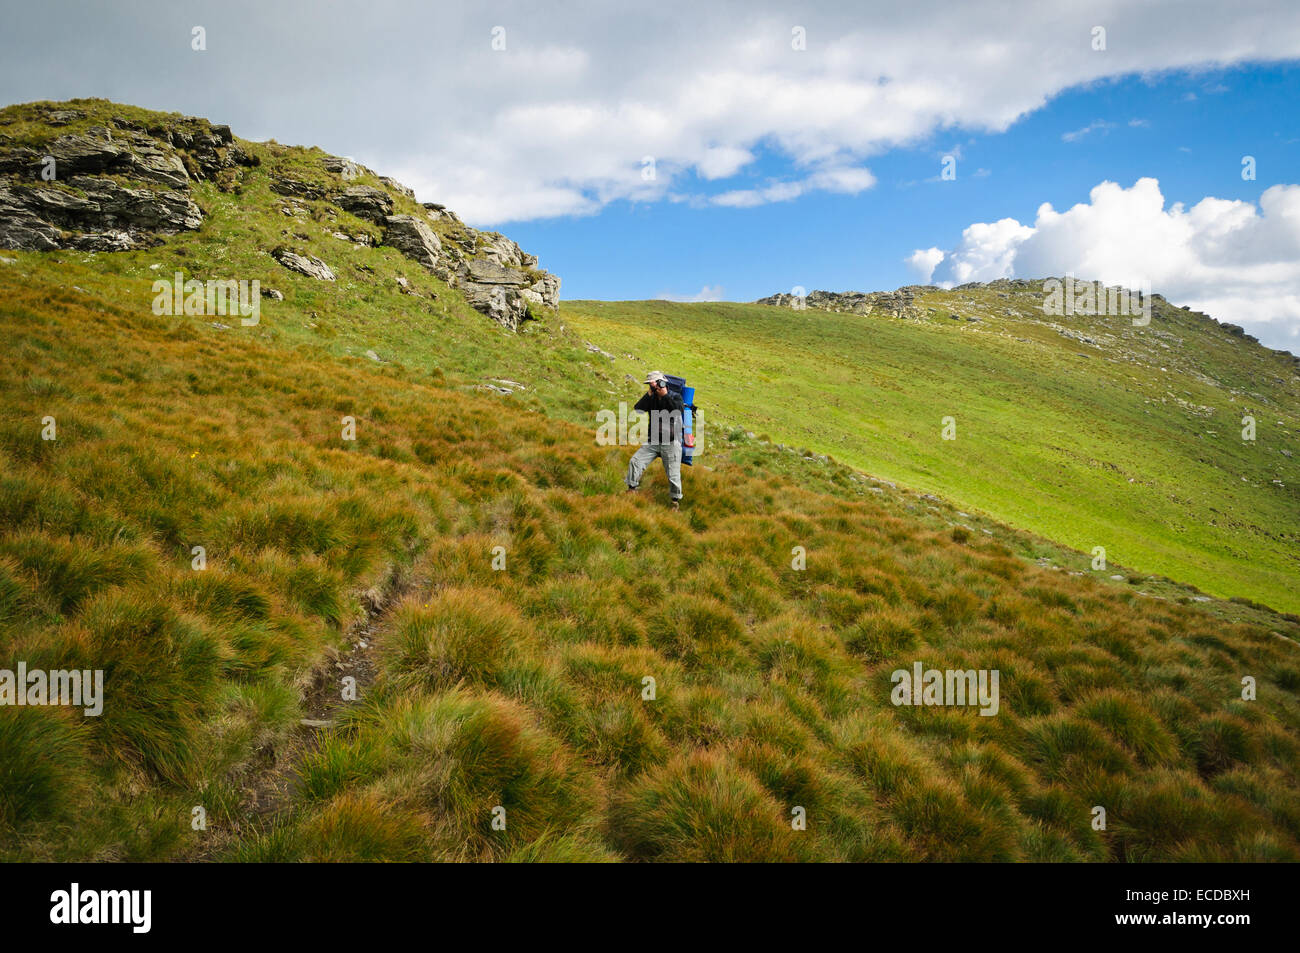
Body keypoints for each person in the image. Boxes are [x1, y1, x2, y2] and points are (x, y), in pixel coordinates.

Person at [625, 370, 684, 510]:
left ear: (663, 382)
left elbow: (677, 410)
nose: (654, 386)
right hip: (653, 440)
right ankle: (632, 489)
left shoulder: (676, 396)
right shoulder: (651, 397)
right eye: (651, 384)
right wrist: (649, 394)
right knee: (635, 461)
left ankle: (674, 502)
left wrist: (665, 395)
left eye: (655, 383)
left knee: (673, 475)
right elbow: (638, 409)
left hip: (671, 442)